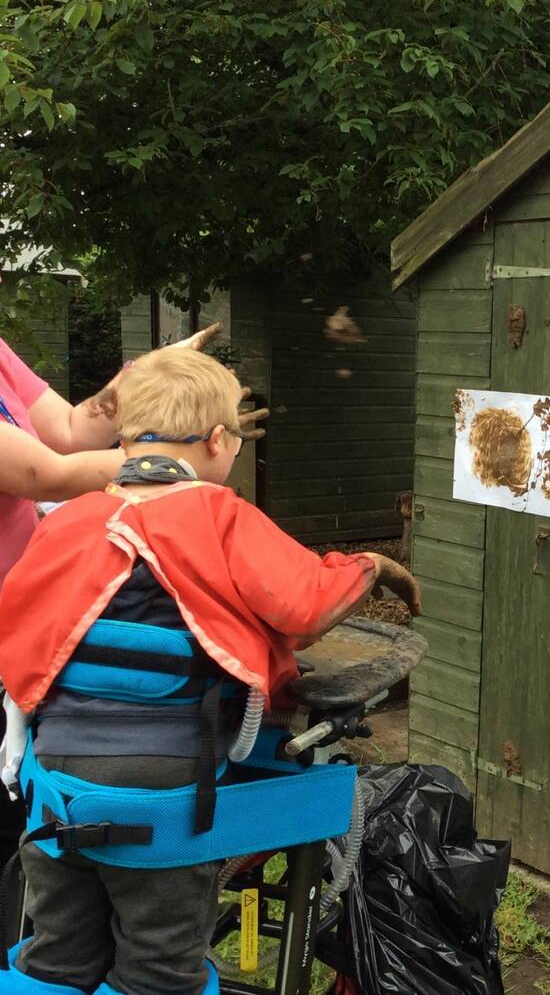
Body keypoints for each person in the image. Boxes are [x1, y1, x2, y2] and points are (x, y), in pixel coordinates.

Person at [0, 346, 421, 995]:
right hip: (164, 800)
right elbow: (304, 606)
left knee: (55, 963)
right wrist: (369, 567)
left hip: (55, 796)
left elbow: (18, 626)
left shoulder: (70, 521)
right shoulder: (219, 515)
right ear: (221, 441)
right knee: (158, 975)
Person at [0, 324, 266, 871]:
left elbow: (73, 429)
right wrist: (181, 458)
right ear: (222, 441)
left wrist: (145, 379)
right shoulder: (208, 494)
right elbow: (46, 472)